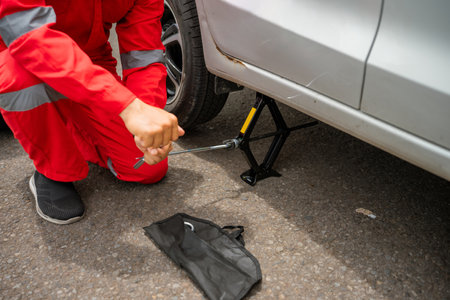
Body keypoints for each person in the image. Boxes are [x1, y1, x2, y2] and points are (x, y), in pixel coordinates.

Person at [0, 0, 184, 224]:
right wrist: (125, 106)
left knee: (146, 168)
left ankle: (68, 125)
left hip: (89, 60)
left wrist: (146, 117)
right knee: (23, 81)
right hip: (20, 57)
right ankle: (52, 170)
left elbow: (143, 55)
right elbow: (29, 39)